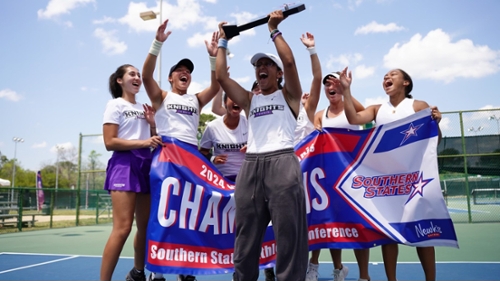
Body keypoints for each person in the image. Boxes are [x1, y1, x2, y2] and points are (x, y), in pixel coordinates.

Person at [216, 10, 308, 281]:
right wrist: (223, 42)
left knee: (288, 238)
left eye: (268, 64)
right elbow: (221, 77)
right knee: (245, 240)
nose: (261, 68)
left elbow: (290, 62)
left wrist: (274, 30)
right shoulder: (249, 100)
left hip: (282, 164)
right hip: (252, 167)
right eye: (258, 65)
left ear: (277, 73)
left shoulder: (290, 95)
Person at [340, 67, 442, 281]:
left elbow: (434, 141)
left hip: (414, 181)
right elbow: (353, 118)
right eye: (385, 75)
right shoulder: (378, 110)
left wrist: (437, 124)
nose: (387, 77)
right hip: (387, 183)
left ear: (406, 82)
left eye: (393, 74)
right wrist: (347, 90)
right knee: (389, 236)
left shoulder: (418, 106)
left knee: (422, 234)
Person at [142, 19, 221, 281]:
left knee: (190, 214)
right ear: (171, 77)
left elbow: (217, 85)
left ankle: (185, 269)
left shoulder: (195, 99)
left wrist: (214, 57)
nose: (185, 73)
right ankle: (156, 269)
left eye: (188, 70)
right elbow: (146, 77)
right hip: (166, 158)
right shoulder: (162, 97)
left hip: (191, 159)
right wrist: (157, 43)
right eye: (180, 70)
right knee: (164, 213)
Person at [100, 64, 163, 281]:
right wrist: (145, 141)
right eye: (132, 74)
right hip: (124, 165)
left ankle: (138, 273)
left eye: (138, 75)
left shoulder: (144, 108)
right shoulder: (115, 105)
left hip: (145, 165)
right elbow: (110, 142)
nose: (137, 77)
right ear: (120, 80)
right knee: (123, 228)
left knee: (144, 228)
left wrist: (152, 126)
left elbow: (153, 140)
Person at [307, 71, 370, 281]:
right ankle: (332, 269)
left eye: (334, 83)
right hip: (328, 177)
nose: (330, 86)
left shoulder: (352, 108)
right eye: (327, 84)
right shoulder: (320, 115)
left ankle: (364, 276)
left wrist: (346, 89)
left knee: (357, 226)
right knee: (328, 223)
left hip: (352, 176)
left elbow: (370, 116)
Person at [200, 92, 248, 182]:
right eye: (232, 97)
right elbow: (202, 151)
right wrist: (212, 158)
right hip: (220, 180)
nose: (236, 101)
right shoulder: (212, 127)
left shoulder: (250, 124)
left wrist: (252, 148)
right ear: (225, 102)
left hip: (245, 179)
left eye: (239, 98)